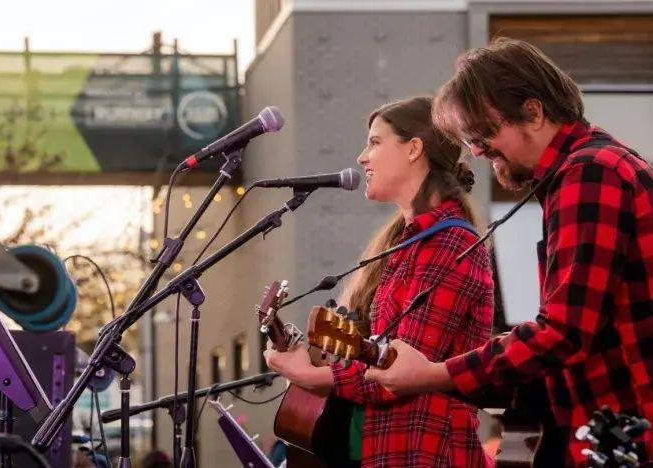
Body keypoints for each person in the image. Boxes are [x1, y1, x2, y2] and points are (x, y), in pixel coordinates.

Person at [364, 38, 653, 466]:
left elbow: (565, 332)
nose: (476, 150)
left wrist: (434, 375)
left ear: (533, 112)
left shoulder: (589, 174)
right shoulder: (593, 168)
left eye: (483, 132)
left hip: (627, 441)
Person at [264, 96, 495, 467]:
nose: (361, 157)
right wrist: (312, 363)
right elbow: (376, 354)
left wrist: (315, 375)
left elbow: (402, 373)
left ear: (413, 149)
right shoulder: (406, 243)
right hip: (385, 449)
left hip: (425, 452)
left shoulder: (450, 244)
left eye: (374, 142)